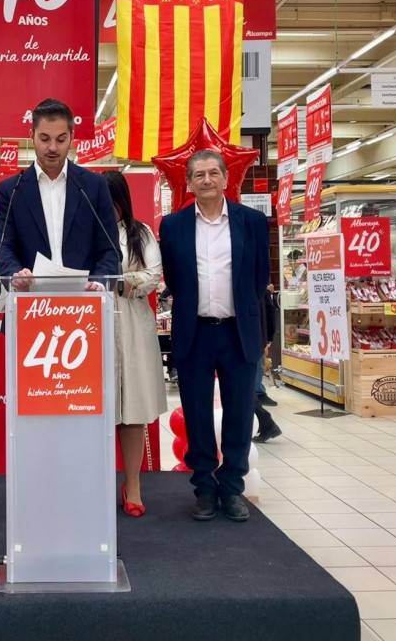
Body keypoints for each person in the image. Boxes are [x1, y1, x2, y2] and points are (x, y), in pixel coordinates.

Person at [158, 149, 270, 522]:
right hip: (195, 332)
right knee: (197, 414)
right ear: (189, 183)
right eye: (198, 175)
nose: (206, 180)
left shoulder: (251, 221)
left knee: (239, 412)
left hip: (238, 331)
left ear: (225, 178)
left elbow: (259, 278)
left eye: (213, 173)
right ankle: (204, 488)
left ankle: (232, 489)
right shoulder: (172, 226)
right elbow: (174, 280)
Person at [0, 98, 120, 290]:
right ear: (32, 135)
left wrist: (99, 282)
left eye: (61, 139)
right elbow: (2, 248)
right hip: (31, 303)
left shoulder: (94, 185)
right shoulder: (11, 190)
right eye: (44, 139)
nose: (52, 147)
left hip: (84, 304)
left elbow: (111, 250)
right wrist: (14, 274)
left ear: (71, 136)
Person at [103, 171, 166, 517]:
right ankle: (95, 483)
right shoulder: (83, 230)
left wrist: (118, 284)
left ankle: (134, 485)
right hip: (91, 324)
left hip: (132, 322)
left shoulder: (139, 233)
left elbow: (152, 275)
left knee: (133, 409)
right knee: (95, 407)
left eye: (111, 200)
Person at [253, 286, 283, 443]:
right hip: (256, 339)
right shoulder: (260, 287)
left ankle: (267, 424)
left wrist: (267, 340)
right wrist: (268, 339)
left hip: (251, 341)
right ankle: (266, 424)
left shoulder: (256, 287)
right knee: (242, 387)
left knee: (241, 387)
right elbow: (270, 313)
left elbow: (270, 313)